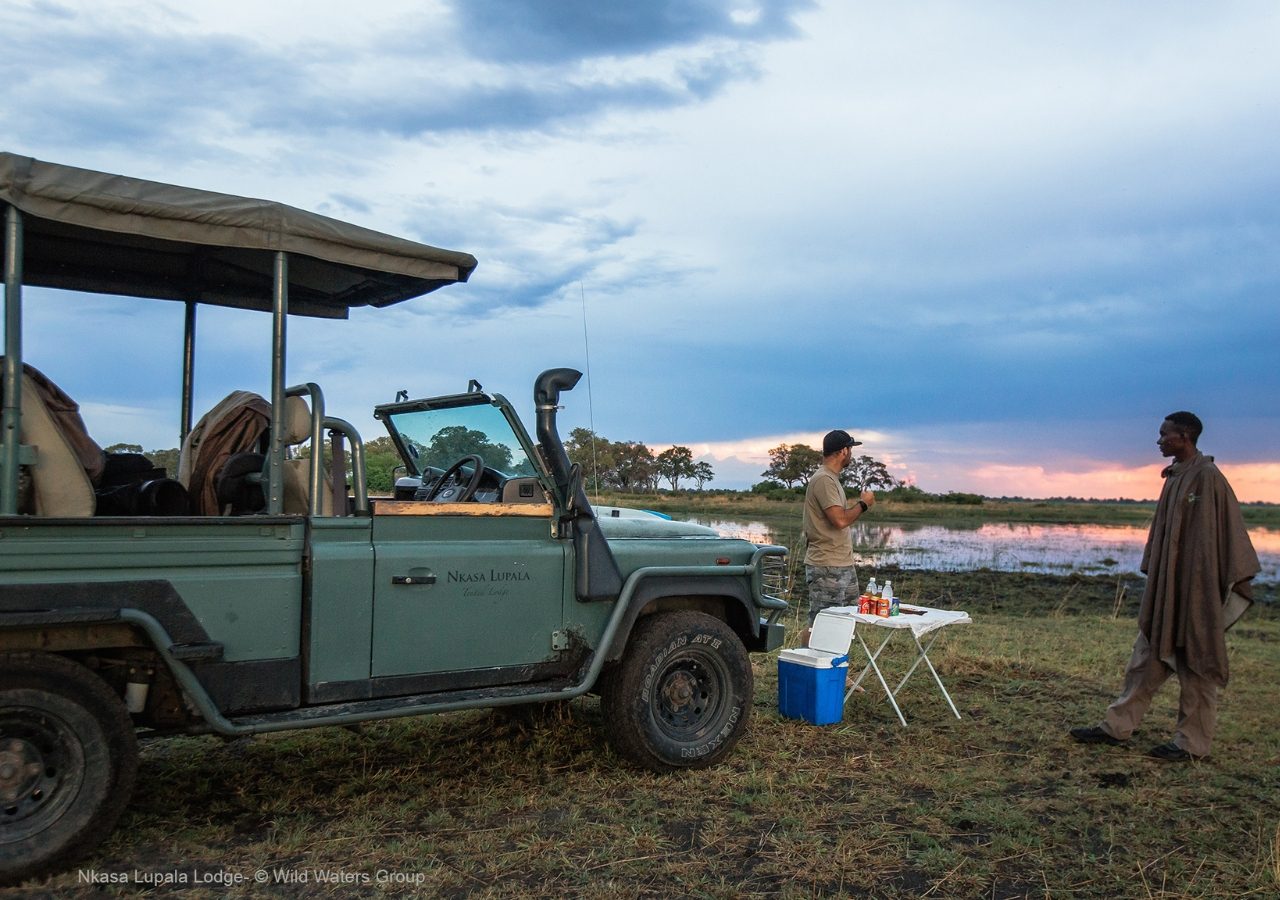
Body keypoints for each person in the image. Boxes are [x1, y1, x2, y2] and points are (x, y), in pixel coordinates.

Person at [1070, 412, 1260, 761]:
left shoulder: (1207, 478)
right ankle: (1117, 726)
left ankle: (1192, 745)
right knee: (1145, 658)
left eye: (1164, 435)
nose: (1159, 441)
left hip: (1196, 592)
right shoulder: (1174, 476)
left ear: (1184, 435)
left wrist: (1201, 585)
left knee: (1197, 663)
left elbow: (1219, 539)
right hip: (1169, 590)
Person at [799, 429, 877, 647]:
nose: (851, 453)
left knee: (843, 622)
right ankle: (809, 671)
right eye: (850, 449)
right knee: (821, 624)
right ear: (844, 451)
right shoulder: (824, 479)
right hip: (827, 566)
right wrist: (864, 504)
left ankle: (836, 675)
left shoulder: (831, 479)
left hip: (841, 564)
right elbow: (840, 520)